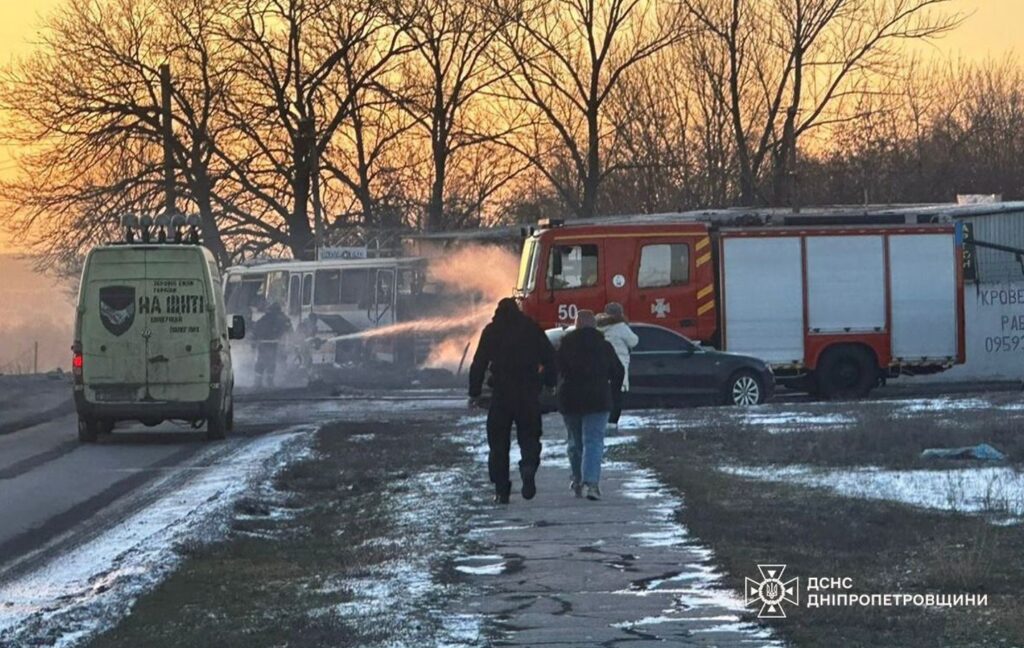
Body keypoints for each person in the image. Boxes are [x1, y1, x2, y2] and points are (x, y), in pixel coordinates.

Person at [469, 298, 557, 504]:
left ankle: (501, 489)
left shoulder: (491, 330)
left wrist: (474, 392)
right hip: (528, 393)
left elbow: (479, 362)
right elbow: (550, 357)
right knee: (530, 436)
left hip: (501, 393)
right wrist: (549, 382)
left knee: (498, 443)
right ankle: (528, 467)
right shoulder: (531, 328)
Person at [557, 310, 624, 501]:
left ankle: (577, 479)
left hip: (570, 400)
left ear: (576, 325)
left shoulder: (565, 345)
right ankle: (592, 484)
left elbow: (557, 370)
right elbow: (618, 371)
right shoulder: (604, 346)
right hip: (598, 399)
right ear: (595, 326)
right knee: (593, 441)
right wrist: (612, 389)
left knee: (575, 442)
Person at [596, 302, 638, 428]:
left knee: (603, 394)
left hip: (600, 364)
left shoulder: (597, 326)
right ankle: (612, 423)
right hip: (618, 363)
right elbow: (634, 341)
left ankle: (602, 420)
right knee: (617, 395)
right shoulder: (620, 327)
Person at [252, 301, 292, 388]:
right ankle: (268, 381)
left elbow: (255, 330)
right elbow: (288, 328)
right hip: (273, 343)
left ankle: (259, 381)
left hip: (264, 343)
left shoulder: (264, 318)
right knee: (270, 362)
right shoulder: (281, 318)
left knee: (262, 361)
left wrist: (254, 341)